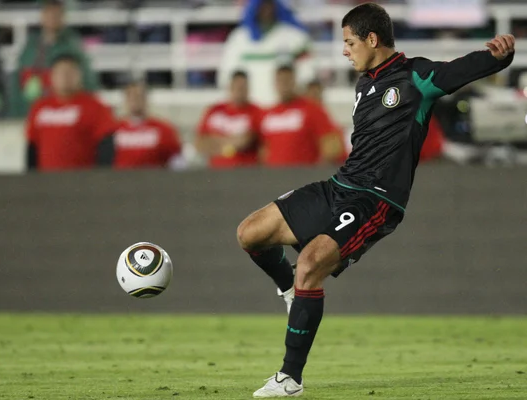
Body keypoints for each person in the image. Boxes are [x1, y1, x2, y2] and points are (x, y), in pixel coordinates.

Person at [236, 3, 515, 397]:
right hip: (340, 185)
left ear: (372, 39)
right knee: (250, 233)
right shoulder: (363, 83)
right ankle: (287, 291)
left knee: (310, 265)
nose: (345, 51)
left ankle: (289, 378)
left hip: (376, 200)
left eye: (349, 42)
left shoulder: (415, 77)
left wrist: (498, 55)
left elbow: (458, 70)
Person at [25, 54, 115, 171]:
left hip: (82, 181)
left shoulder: (95, 106)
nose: (65, 77)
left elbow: (106, 145)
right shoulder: (39, 108)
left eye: (70, 72)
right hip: (47, 182)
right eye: (60, 72)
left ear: (79, 75)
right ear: (52, 77)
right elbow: (32, 146)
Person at [9, 0, 98, 117]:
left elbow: (87, 81)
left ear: (63, 17)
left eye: (56, 14)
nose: (52, 18)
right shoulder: (31, 44)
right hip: (31, 109)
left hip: (61, 111)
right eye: (48, 13)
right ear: (42, 16)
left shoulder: (72, 44)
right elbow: (18, 78)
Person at [218, 0, 315, 106]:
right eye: (262, 5)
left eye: (269, 5)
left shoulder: (295, 37)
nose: (266, 10)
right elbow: (227, 72)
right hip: (248, 108)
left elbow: (307, 73)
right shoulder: (239, 37)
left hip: (285, 106)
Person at [259, 65, 344, 166]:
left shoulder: (312, 109)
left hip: (302, 176)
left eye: (287, 80)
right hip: (273, 176)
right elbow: (263, 148)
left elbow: (332, 144)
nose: (284, 85)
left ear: (294, 82)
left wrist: (318, 172)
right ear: (275, 84)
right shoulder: (268, 114)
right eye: (280, 81)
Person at [97, 81, 182, 169]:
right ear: (126, 99)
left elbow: (175, 160)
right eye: (131, 96)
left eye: (139, 96)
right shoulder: (113, 129)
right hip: (122, 179)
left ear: (146, 98)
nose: (135, 101)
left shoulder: (163, 129)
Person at [195, 71, 262, 168]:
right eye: (237, 87)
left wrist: (215, 141)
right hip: (216, 172)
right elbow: (200, 144)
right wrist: (231, 144)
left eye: (242, 87)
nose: (239, 90)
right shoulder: (214, 110)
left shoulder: (256, 111)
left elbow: (246, 140)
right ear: (230, 87)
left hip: (245, 171)